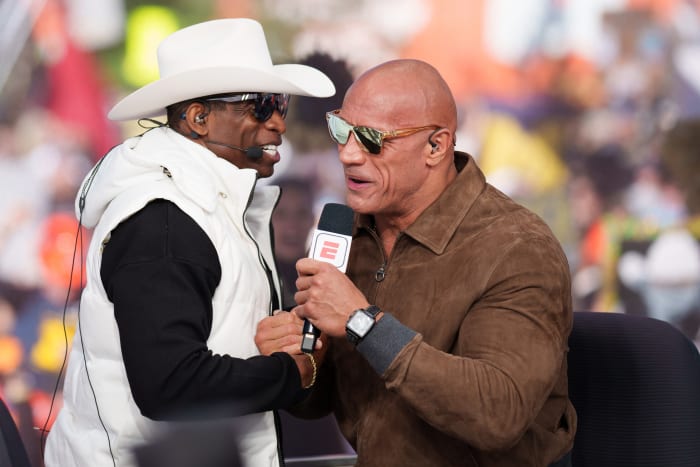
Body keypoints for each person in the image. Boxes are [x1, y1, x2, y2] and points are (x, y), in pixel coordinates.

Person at [44, 18, 335, 467]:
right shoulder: (162, 218)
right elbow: (170, 385)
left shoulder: (205, 204)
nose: (279, 120)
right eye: (260, 105)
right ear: (199, 118)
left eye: (281, 102)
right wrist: (292, 371)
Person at [256, 59, 576, 466]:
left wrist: (362, 323)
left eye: (371, 139)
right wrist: (299, 364)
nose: (348, 154)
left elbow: (499, 413)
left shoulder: (516, 247)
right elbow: (323, 399)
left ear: (436, 146)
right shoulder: (349, 235)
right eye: (342, 130)